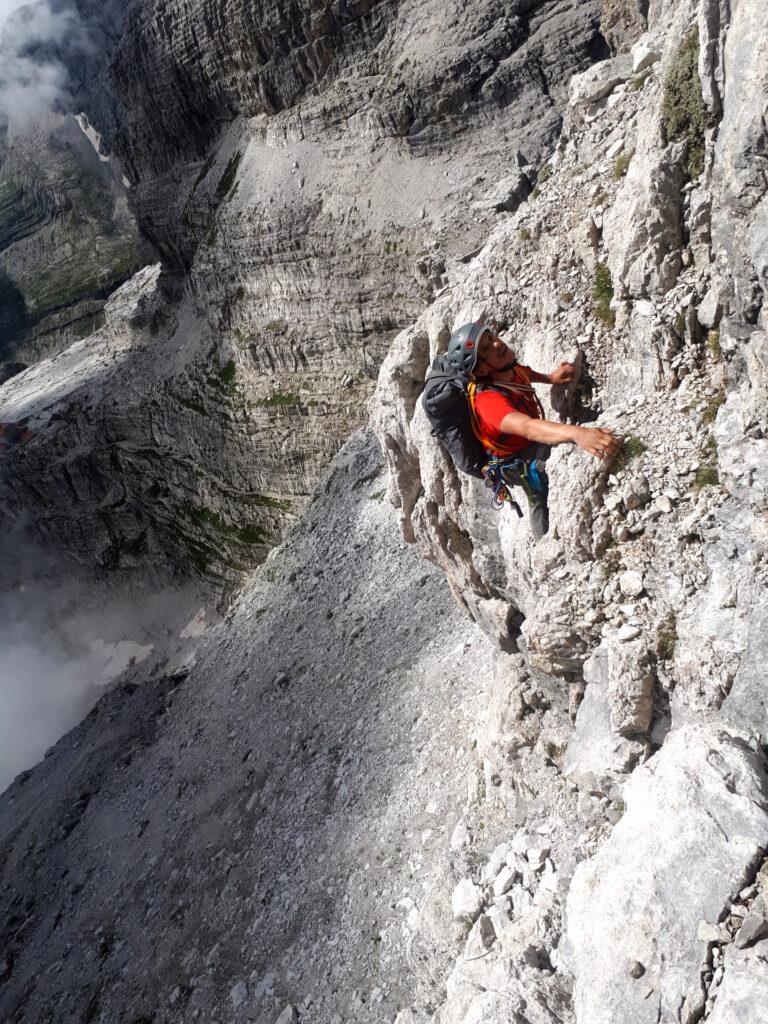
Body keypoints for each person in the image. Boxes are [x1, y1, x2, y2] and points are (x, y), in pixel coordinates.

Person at [446, 322, 621, 539]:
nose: (497, 344)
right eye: (486, 349)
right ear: (481, 370)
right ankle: (544, 550)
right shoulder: (489, 402)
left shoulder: (510, 369)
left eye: (491, 337)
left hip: (524, 443)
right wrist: (578, 433)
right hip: (514, 462)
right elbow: (528, 427)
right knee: (538, 495)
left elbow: (526, 375)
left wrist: (551, 378)